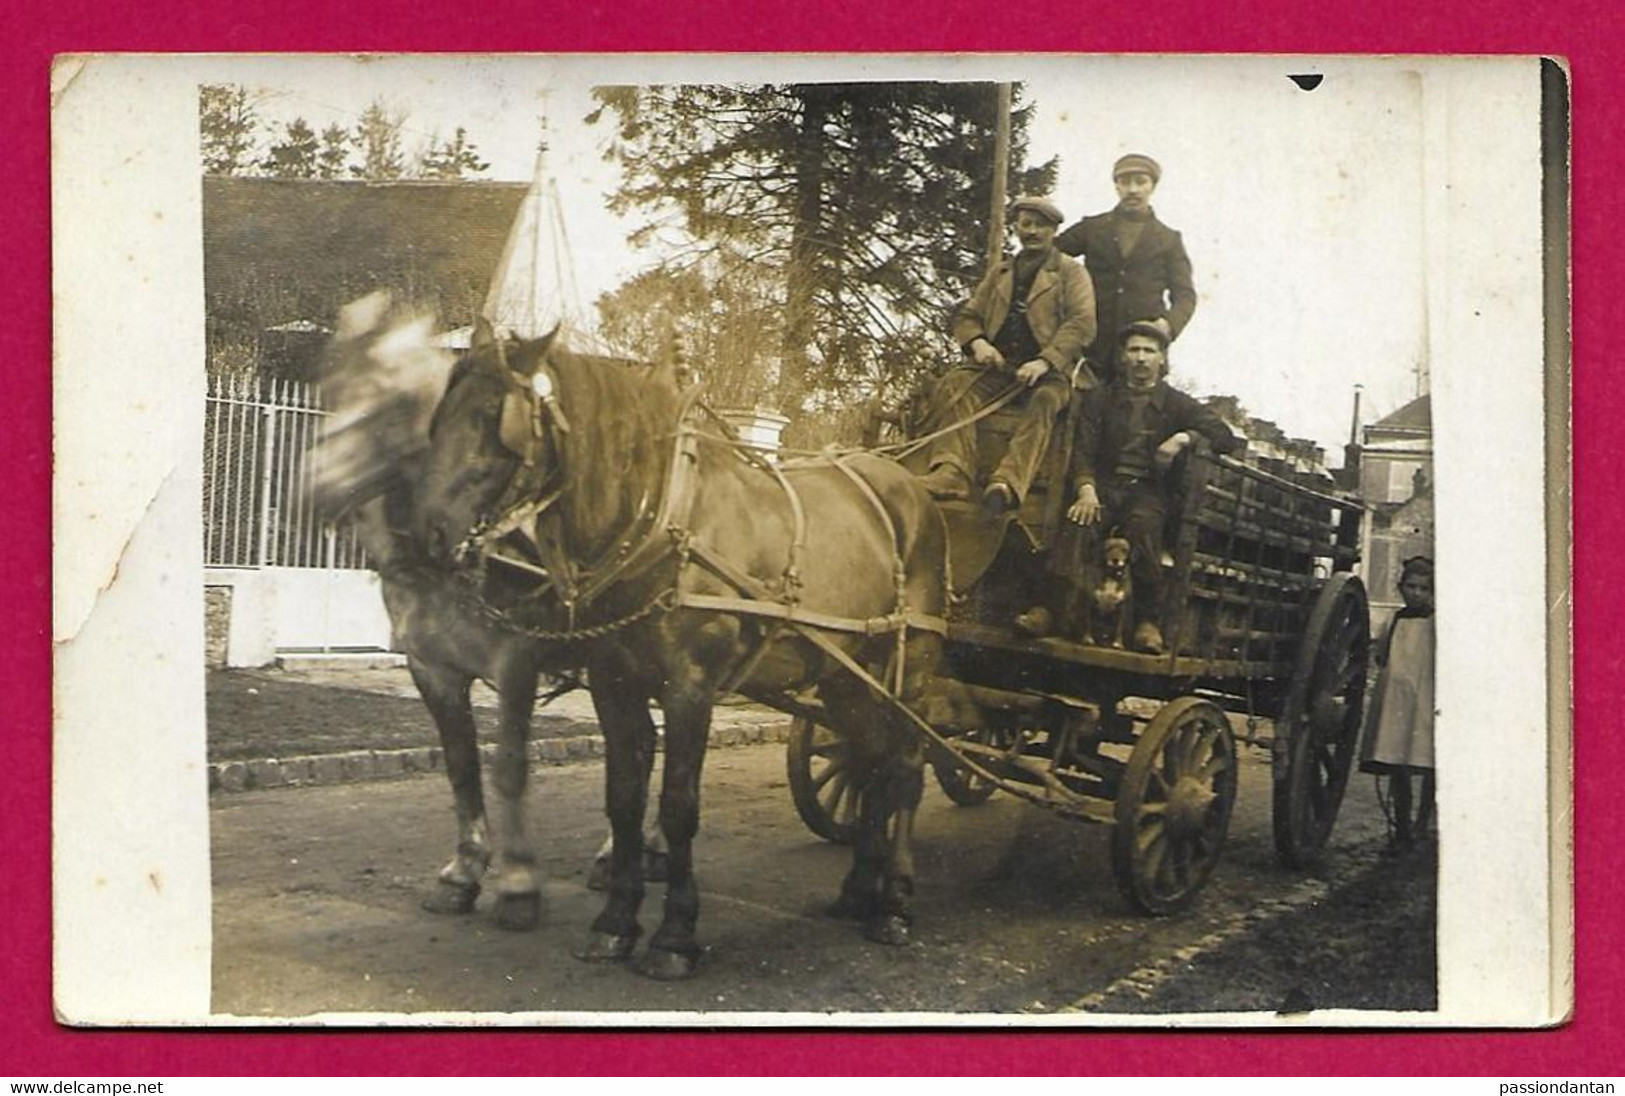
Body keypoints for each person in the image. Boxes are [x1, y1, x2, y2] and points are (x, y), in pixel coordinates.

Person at [1045, 320, 1242, 653]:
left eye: (1149, 351)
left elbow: (1224, 436)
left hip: (1149, 490)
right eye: (1133, 349)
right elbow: (1083, 449)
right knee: (1079, 523)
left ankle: (1146, 623)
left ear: (1162, 360)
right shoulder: (1100, 398)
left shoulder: (1177, 404)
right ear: (1123, 356)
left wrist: (1184, 438)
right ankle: (1050, 610)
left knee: (1145, 526)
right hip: (1104, 486)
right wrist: (1086, 487)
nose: (1140, 358)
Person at [917, 196, 1096, 517]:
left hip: (1053, 372)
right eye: (1025, 224)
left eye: (1040, 225)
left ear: (1054, 230)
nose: (1032, 232)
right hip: (1001, 368)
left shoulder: (1071, 272)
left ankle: (1007, 484)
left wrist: (1044, 361)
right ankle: (952, 472)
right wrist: (980, 344)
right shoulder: (1001, 272)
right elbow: (968, 316)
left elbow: (1082, 323)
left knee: (1044, 402)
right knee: (955, 384)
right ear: (1016, 228)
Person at [1055, 153, 1196, 383]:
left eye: (1140, 182)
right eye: (1125, 182)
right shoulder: (1092, 228)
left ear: (1152, 186)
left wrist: (1167, 325)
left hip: (1141, 349)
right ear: (1116, 186)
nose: (1132, 189)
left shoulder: (1169, 239)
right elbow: (1050, 257)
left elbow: (1185, 296)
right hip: (1091, 345)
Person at [1359, 556, 1437, 853]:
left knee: (1429, 764)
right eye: (1411, 586)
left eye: (1423, 588)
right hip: (1397, 701)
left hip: (1426, 700)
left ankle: (1422, 824)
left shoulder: (1437, 622)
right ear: (1400, 587)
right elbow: (1381, 656)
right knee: (1397, 764)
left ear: (1432, 592)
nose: (1416, 593)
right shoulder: (1393, 621)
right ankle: (1402, 828)